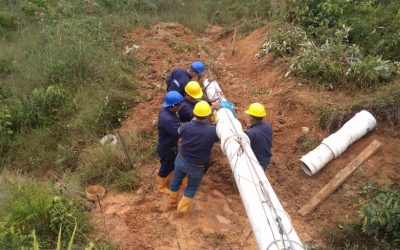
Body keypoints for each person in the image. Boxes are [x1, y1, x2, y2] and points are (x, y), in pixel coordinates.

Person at [168, 101, 219, 213]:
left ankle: (172, 202)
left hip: (181, 160)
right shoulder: (213, 131)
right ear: (208, 115)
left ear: (195, 114)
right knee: (191, 187)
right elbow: (218, 138)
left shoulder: (186, 126)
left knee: (175, 180)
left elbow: (179, 132)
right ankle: (181, 210)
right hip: (197, 165)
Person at [156, 91, 184, 193]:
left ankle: (168, 179)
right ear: (172, 106)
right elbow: (178, 132)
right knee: (165, 167)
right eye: (179, 104)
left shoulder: (167, 111)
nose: (181, 106)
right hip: (166, 148)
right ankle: (161, 187)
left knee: (171, 164)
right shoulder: (167, 119)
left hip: (170, 145)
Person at [244, 102, 272, 171]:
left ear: (252, 119)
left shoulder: (251, 134)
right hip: (265, 159)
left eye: (249, 116)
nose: (248, 117)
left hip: (256, 163)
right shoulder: (268, 126)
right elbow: (258, 131)